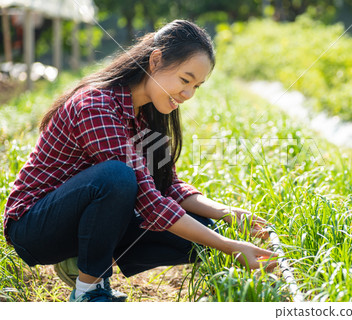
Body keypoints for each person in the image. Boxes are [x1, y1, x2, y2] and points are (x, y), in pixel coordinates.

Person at [3, 20, 277, 302]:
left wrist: (227, 213)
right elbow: (149, 202)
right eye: (185, 80)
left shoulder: (145, 115)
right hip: (34, 226)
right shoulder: (96, 106)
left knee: (206, 230)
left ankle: (78, 260)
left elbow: (167, 187)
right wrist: (230, 247)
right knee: (117, 176)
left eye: (197, 86)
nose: (188, 94)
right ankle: (89, 291)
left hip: (81, 218)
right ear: (156, 60)